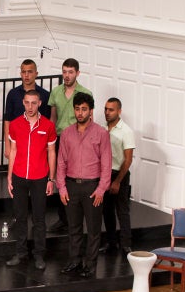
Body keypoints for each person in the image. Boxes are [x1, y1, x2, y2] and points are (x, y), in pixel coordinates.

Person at [56, 93, 111, 279]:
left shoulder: (101, 134)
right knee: (74, 228)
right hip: (71, 186)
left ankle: (90, 265)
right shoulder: (66, 133)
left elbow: (106, 164)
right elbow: (61, 162)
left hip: (92, 187)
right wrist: (61, 187)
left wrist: (101, 189)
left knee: (94, 229)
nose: (80, 113)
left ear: (91, 111)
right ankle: (74, 261)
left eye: (84, 109)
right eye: (77, 109)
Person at [5, 90, 57, 270]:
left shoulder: (48, 126)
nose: (30, 106)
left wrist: (52, 178)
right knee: (20, 217)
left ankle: (39, 255)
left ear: (40, 103)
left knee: (39, 218)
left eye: (33, 103)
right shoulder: (16, 124)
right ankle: (20, 253)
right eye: (27, 103)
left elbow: (52, 152)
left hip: (40, 177)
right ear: (23, 103)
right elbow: (13, 151)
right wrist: (9, 176)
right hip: (19, 175)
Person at [47, 59, 92, 233]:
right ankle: (63, 218)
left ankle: (76, 218)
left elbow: (90, 119)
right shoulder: (56, 92)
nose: (67, 75)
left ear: (77, 73)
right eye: (64, 71)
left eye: (70, 72)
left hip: (77, 140)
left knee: (75, 178)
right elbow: (53, 118)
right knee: (61, 178)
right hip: (59, 138)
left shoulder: (85, 92)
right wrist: (49, 141)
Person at [99, 97, 135, 256]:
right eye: (106, 109)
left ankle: (126, 244)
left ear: (119, 111)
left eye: (111, 109)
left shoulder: (126, 131)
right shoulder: (101, 128)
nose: (107, 112)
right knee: (107, 210)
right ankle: (111, 242)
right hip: (104, 173)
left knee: (122, 210)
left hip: (119, 173)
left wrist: (118, 181)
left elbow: (128, 159)